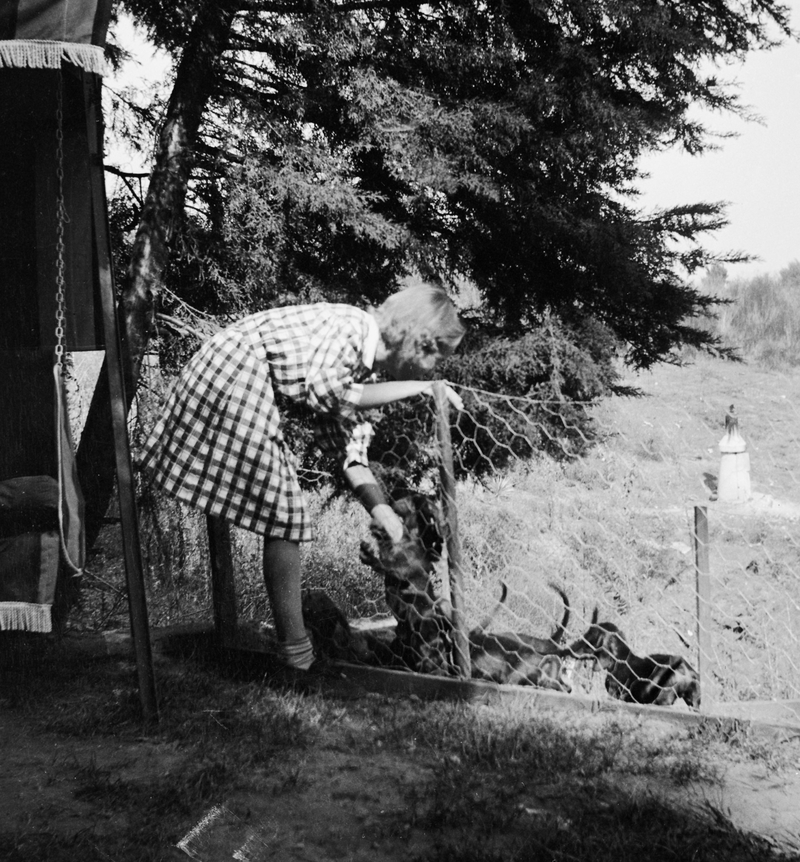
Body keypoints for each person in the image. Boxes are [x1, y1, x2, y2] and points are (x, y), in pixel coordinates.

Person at [140, 282, 465, 673]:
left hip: (243, 375)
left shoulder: (358, 368)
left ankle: (292, 651)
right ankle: (297, 657)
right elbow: (327, 394)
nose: (434, 369)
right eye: (437, 357)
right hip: (235, 369)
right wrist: (419, 387)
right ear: (419, 342)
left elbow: (348, 452)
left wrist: (385, 514)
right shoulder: (350, 328)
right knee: (286, 512)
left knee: (284, 512)